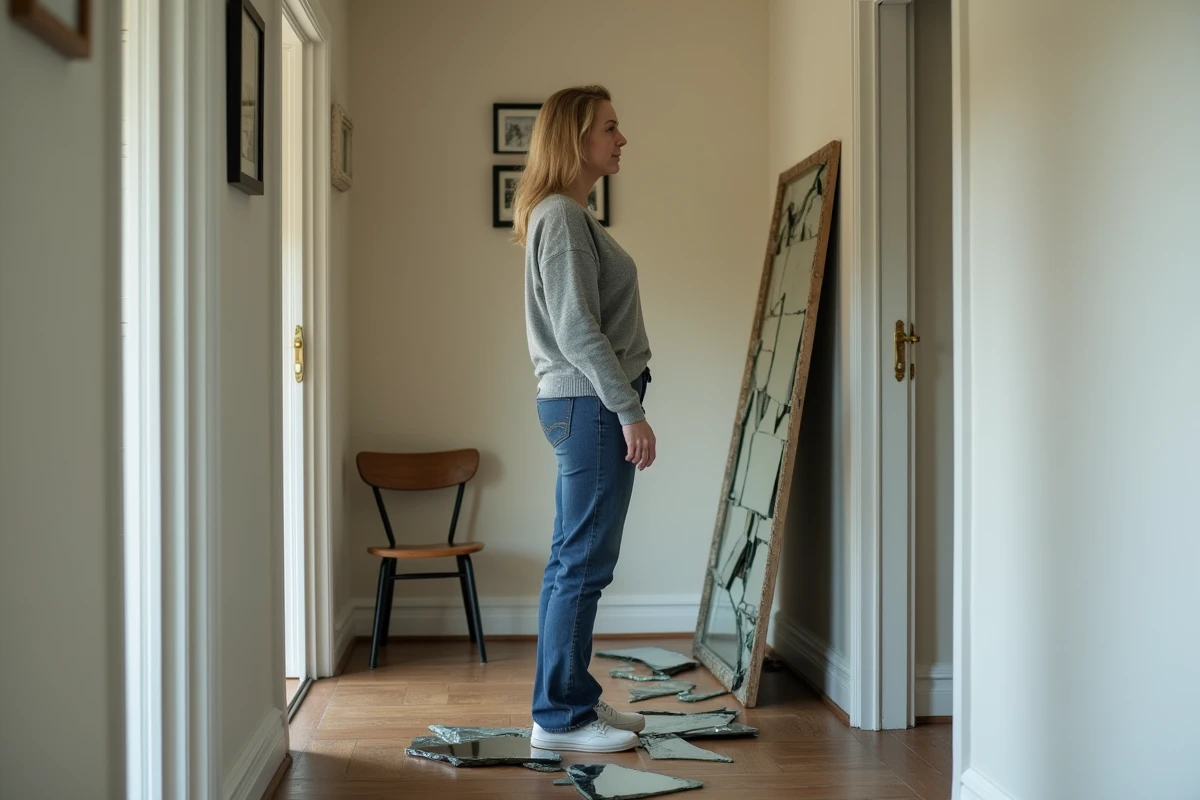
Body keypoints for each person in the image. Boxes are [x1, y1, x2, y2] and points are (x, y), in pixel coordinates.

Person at [512, 85, 655, 754]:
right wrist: (628, 410)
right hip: (592, 404)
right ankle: (562, 718)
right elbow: (576, 328)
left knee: (575, 560)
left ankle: (566, 701)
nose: (621, 139)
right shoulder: (564, 218)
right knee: (583, 564)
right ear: (576, 139)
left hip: (582, 403)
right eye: (610, 127)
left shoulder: (565, 215)